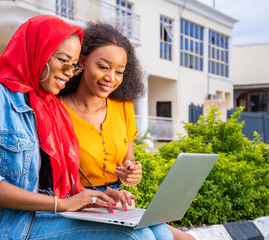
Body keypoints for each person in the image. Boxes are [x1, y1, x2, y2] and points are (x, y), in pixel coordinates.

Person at [0, 15, 173, 240]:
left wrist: (93, 197)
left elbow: (49, 185)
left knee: (160, 234)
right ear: (38, 51)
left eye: (73, 65)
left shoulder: (48, 105)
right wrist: (62, 203)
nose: (69, 71)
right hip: (7, 227)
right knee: (137, 238)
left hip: (47, 216)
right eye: (62, 60)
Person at [58, 22, 195, 240]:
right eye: (103, 67)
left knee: (187, 239)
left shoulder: (123, 105)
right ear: (82, 61)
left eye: (119, 71)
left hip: (117, 202)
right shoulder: (57, 109)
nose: (111, 78)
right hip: (79, 203)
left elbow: (128, 170)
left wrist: (131, 174)